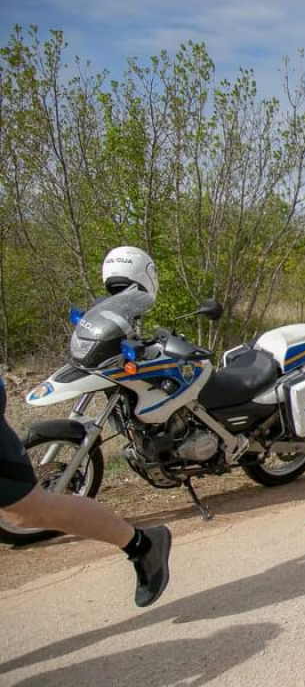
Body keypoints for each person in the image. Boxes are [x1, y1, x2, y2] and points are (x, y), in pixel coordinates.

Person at [0, 246, 172, 609]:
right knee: (26, 509)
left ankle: (142, 544)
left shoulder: (139, 306)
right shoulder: (116, 305)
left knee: (28, 508)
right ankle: (142, 545)